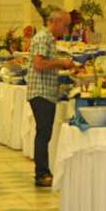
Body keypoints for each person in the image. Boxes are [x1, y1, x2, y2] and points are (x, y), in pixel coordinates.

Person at [27, 10, 74, 187]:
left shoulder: (48, 39)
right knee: (43, 133)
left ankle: (44, 171)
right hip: (41, 92)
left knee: (45, 133)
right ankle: (41, 174)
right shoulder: (42, 38)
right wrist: (61, 63)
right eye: (65, 25)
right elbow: (39, 64)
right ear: (56, 22)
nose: (66, 30)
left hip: (46, 91)